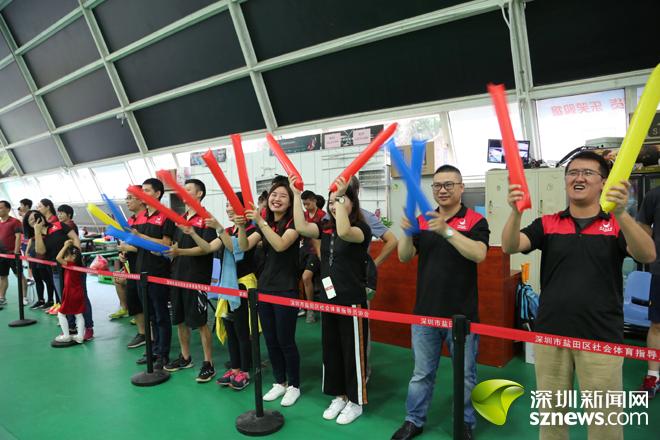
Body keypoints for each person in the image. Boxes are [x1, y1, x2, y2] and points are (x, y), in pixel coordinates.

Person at [501, 151, 655, 440]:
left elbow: (647, 254)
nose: (578, 177)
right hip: (551, 335)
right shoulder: (547, 223)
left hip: (601, 337)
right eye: (572, 172)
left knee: (604, 425)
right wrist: (515, 212)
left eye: (587, 172)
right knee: (551, 420)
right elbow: (510, 245)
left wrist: (622, 213)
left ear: (603, 182)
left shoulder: (615, 225)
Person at [392, 165, 489, 440]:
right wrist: (407, 233)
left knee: (466, 375)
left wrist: (446, 230)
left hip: (462, 316)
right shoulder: (423, 220)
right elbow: (404, 257)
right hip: (425, 313)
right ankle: (414, 420)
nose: (442, 190)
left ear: (461, 188)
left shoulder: (475, 220)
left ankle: (465, 423)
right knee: (421, 373)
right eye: (437, 185)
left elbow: (479, 254)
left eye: (449, 184)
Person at [292, 175, 371, 425]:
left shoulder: (361, 229)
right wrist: (296, 194)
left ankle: (356, 402)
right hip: (329, 300)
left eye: (340, 200)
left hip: (352, 302)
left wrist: (340, 194)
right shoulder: (325, 229)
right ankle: (339, 396)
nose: (334, 205)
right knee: (332, 350)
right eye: (331, 201)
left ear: (352, 203)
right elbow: (301, 226)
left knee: (352, 353)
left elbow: (345, 231)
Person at [183, 192, 257, 391]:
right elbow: (208, 247)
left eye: (232, 204)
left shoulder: (253, 229)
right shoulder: (229, 230)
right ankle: (235, 368)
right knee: (231, 330)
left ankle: (245, 371)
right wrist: (193, 234)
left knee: (242, 331)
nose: (228, 208)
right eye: (227, 204)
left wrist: (219, 228)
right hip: (227, 285)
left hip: (243, 285)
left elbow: (237, 249)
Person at [241, 179, 302, 406]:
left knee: (286, 340)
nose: (276, 199)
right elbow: (244, 246)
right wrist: (241, 226)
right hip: (264, 288)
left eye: (283, 196)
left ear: (290, 202)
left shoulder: (294, 224)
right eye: (273, 195)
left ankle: (294, 385)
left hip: (285, 289)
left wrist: (260, 221)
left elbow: (280, 245)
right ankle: (279, 382)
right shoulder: (264, 224)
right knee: (270, 339)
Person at [164, 179, 217, 383]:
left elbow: (206, 249)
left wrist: (180, 251)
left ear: (199, 193)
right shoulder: (181, 219)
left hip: (197, 277)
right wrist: (168, 251)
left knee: (201, 322)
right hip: (177, 275)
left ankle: (208, 363)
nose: (183, 193)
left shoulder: (206, 219)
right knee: (179, 320)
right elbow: (176, 246)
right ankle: (185, 358)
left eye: (188, 190)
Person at [131, 178, 175, 369]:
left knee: (161, 315)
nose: (143, 194)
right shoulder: (141, 216)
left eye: (147, 190)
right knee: (149, 315)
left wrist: (141, 237)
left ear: (157, 194)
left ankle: (163, 354)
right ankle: (153, 350)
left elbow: (166, 245)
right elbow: (138, 244)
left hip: (158, 272)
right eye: (142, 191)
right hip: (141, 272)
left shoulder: (166, 216)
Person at [635, 186, 660, 398]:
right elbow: (643, 230)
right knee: (658, 324)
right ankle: (653, 376)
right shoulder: (655, 195)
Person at [117, 187, 147, 347]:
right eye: (126, 198)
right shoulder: (130, 221)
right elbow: (128, 242)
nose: (127, 201)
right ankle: (142, 333)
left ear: (141, 200)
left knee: (147, 303)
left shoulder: (148, 219)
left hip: (146, 267)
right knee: (133, 300)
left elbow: (147, 246)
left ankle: (151, 335)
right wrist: (123, 253)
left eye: (130, 198)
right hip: (132, 267)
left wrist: (129, 248)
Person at [299, 190, 325, 323]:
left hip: (317, 251)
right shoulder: (302, 216)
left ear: (314, 200)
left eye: (308, 204)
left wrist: (321, 255)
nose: (306, 207)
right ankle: (301, 307)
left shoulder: (323, 216)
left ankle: (311, 310)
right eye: (304, 204)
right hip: (304, 250)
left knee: (306, 277)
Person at [54, 240, 85, 344]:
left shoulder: (70, 264)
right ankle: (80, 336)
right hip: (78, 292)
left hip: (70, 293)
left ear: (73, 257)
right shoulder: (78, 265)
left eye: (66, 255)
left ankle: (66, 336)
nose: (65, 257)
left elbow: (58, 258)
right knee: (78, 314)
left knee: (61, 314)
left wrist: (65, 246)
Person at [0, 201, 24, 306]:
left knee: (19, 276)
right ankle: (2, 297)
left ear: (8, 209)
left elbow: (18, 237)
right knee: (2, 276)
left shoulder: (15, 221)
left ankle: (24, 297)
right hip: (2, 255)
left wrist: (16, 252)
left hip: (13, 255)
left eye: (1, 208)